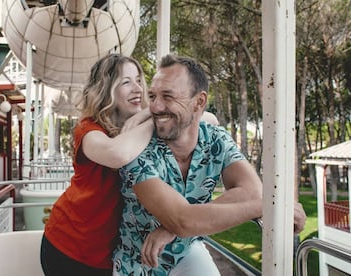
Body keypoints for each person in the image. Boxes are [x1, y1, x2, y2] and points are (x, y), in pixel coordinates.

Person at [113, 54, 306, 275]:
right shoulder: (137, 149)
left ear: (199, 102)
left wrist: (171, 229)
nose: (155, 107)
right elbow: (183, 220)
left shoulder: (215, 139)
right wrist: (272, 207)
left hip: (187, 251)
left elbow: (252, 190)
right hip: (138, 263)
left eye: (168, 96)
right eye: (153, 96)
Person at [40, 53, 154, 276]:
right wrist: (153, 118)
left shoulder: (141, 127)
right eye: (126, 82)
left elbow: (207, 119)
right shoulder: (88, 129)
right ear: (106, 89)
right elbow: (116, 153)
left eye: (139, 80)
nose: (138, 89)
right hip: (68, 246)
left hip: (109, 255)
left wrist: (146, 116)